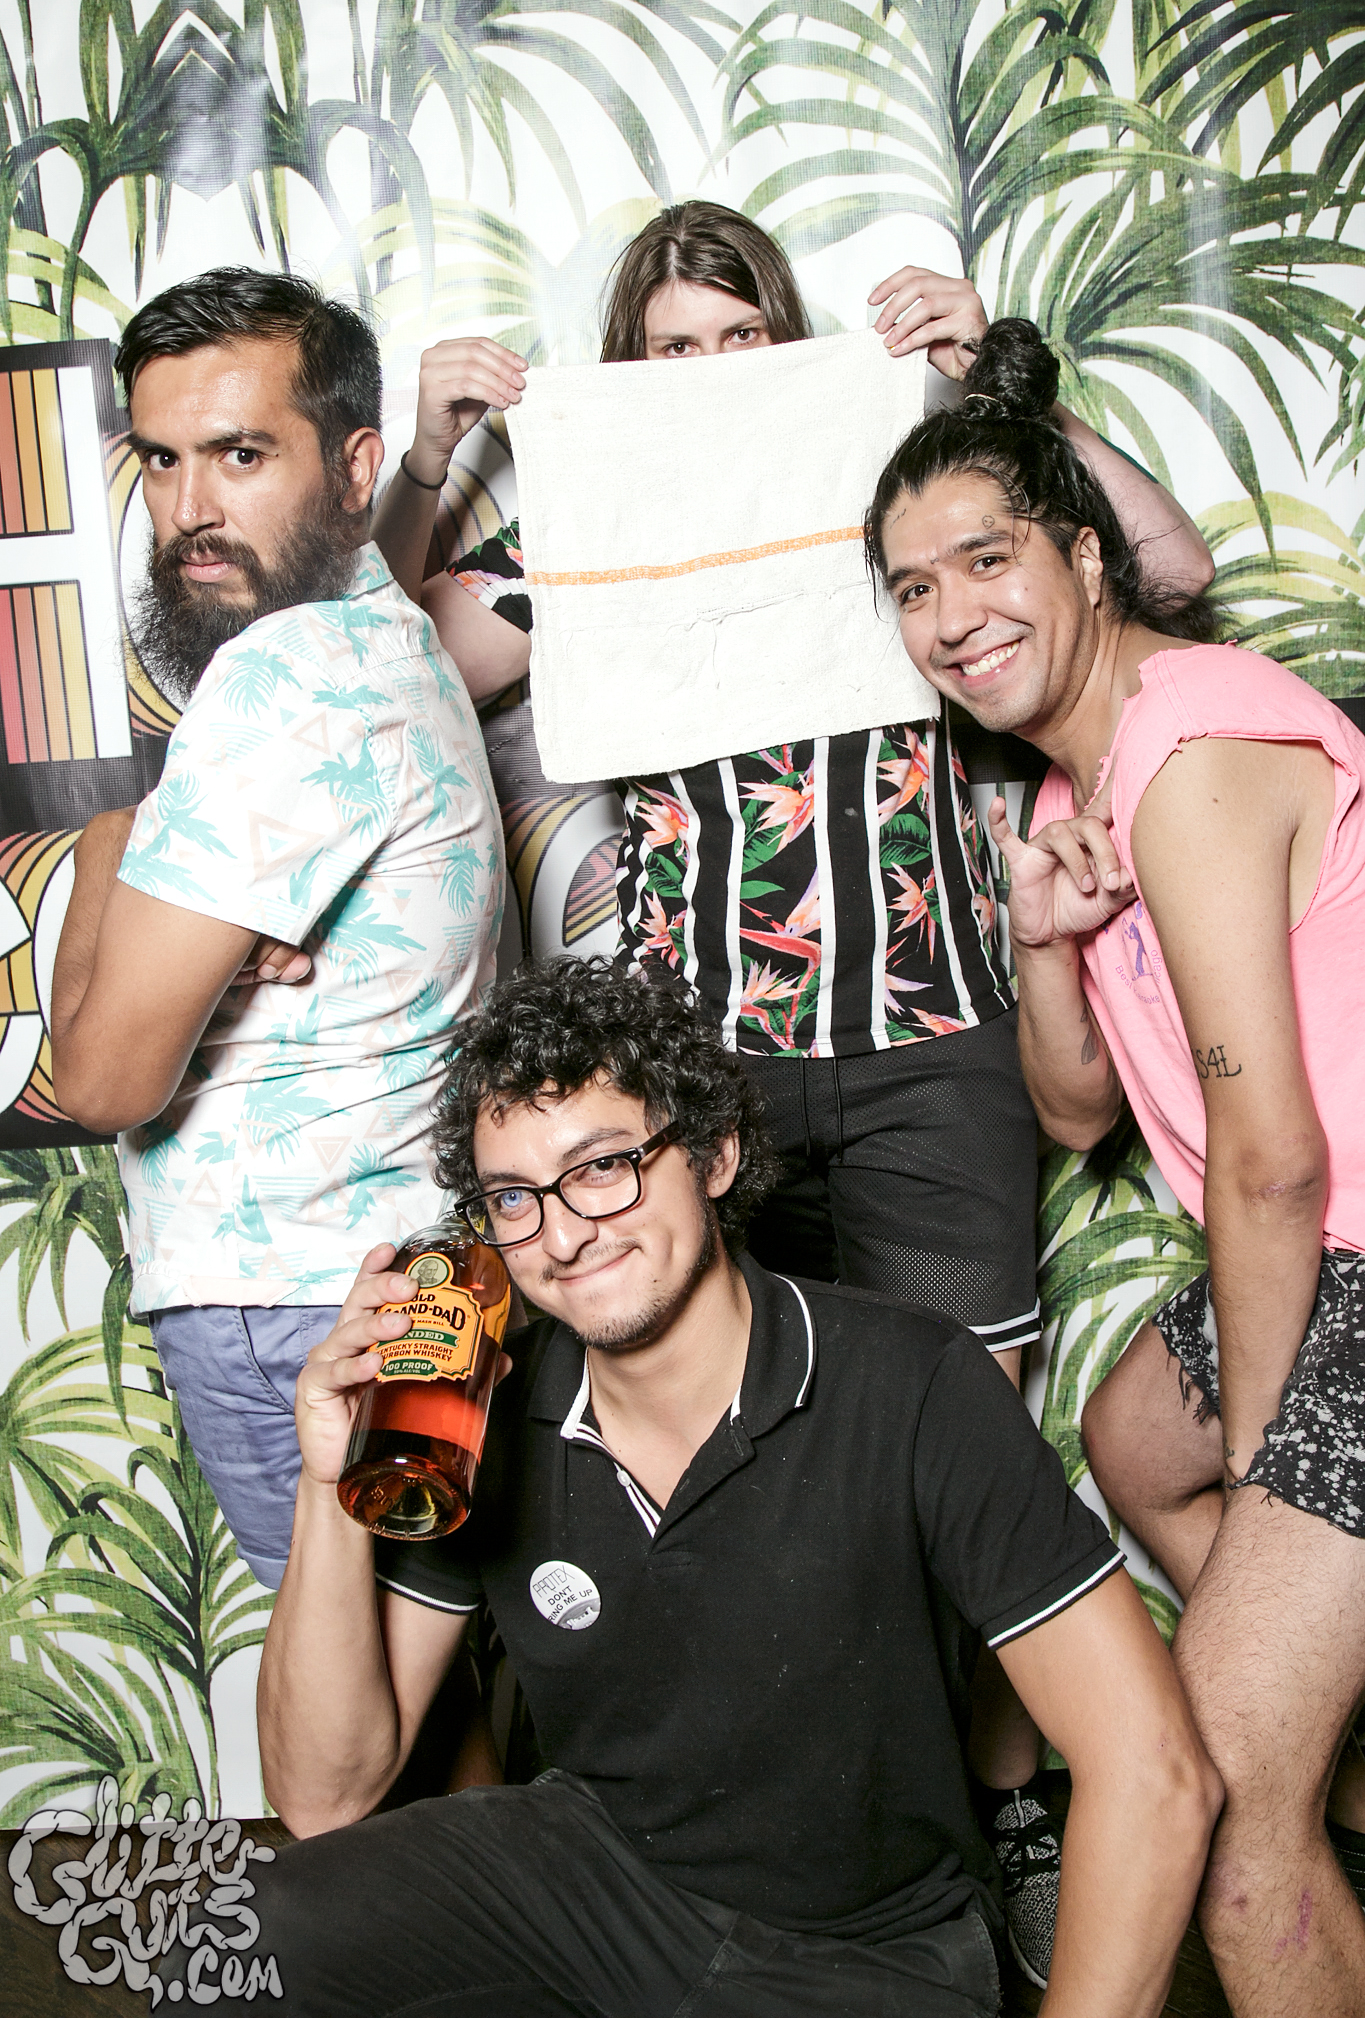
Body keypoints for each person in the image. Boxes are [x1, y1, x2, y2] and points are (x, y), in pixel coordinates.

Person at [369, 200, 1215, 1985]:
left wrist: (1005, 387)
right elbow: (392, 658)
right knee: (745, 1479)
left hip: (929, 1043)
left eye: (739, 335)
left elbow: (1173, 564)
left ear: (792, 342)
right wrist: (433, 461)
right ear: (624, 370)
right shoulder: (585, 537)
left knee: (950, 1453)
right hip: (696, 1081)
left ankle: (1001, 1830)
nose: (710, 372)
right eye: (670, 347)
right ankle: (752, 1852)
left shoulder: (890, 491)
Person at [221, 955, 1221, 2018]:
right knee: (242, 1943)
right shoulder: (488, 1409)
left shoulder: (916, 1382)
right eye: (515, 1196)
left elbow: (1156, 1773)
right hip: (590, 1883)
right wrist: (330, 1478)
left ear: (714, 1153)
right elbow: (325, 1794)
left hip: (870, 1952)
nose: (563, 1232)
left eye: (603, 1166)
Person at [864, 315, 1365, 2018]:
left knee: (1221, 1815)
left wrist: (1275, 1461)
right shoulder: (1078, 785)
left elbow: (1272, 1163)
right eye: (912, 588)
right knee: (1132, 1435)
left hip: (1347, 1242)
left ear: (1084, 554)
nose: (951, 615)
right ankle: (1316, 1718)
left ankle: (1285, 1773)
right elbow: (1079, 1116)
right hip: (1329, 1251)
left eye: (985, 558)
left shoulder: (1195, 746)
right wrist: (1046, 941)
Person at [49, 268, 504, 1591]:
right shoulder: (384, 631)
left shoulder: (280, 676)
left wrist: (110, 845)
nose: (191, 508)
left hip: (289, 1298)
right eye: (162, 459)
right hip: (418, 1267)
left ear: (354, 466)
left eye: (241, 455)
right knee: (418, 1662)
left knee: (338, 1695)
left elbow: (100, 1082)